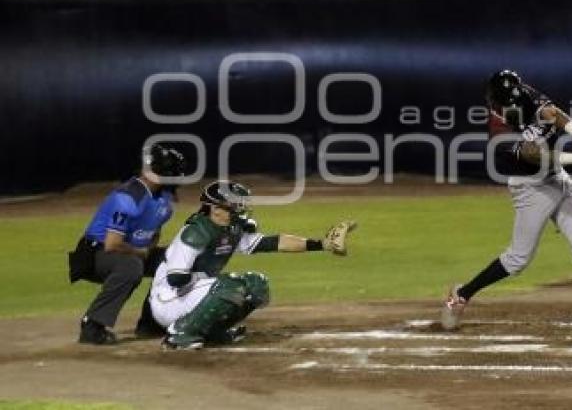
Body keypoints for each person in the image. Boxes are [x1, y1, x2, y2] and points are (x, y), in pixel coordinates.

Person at [441, 70, 572, 334]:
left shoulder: (524, 93)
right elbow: (536, 156)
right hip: (531, 188)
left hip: (558, 178)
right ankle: (460, 295)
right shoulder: (500, 131)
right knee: (518, 259)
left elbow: (554, 115)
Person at [152, 181, 357, 349]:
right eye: (235, 204)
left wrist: (322, 244)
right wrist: (211, 286)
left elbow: (272, 243)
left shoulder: (230, 229)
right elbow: (175, 278)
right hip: (169, 300)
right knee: (230, 286)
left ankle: (212, 331)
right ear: (215, 208)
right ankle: (179, 334)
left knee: (257, 285)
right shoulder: (196, 231)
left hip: (192, 296)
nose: (240, 209)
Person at [68, 144, 186, 345]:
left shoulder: (164, 198)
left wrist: (148, 249)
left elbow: (154, 231)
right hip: (95, 253)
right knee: (131, 266)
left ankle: (152, 322)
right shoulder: (128, 198)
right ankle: (92, 325)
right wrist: (140, 252)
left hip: (130, 251)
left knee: (176, 261)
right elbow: (112, 244)